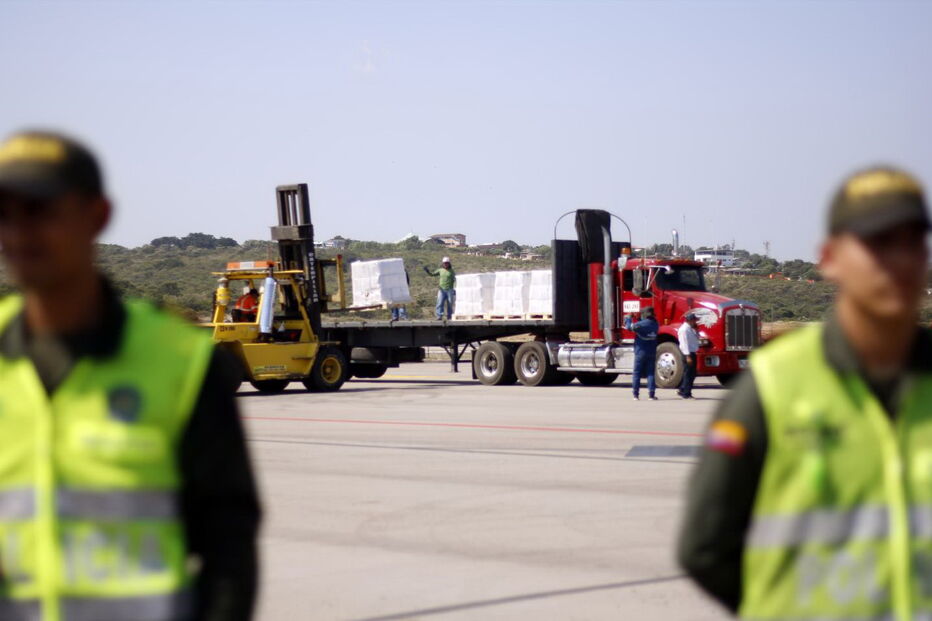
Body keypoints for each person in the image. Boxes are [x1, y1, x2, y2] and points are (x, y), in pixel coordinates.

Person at [0, 130, 261, 621]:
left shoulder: (180, 361)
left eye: (38, 210)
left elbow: (229, 545)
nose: (17, 232)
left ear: (96, 216)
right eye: (4, 213)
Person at [678, 166, 932, 620]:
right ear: (830, 258)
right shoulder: (773, 386)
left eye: (912, 243)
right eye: (877, 243)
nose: (898, 260)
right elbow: (705, 547)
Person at [625, 306, 659, 400]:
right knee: (650, 373)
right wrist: (638, 319)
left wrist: (628, 318)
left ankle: (636, 395)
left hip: (641, 352)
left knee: (637, 373)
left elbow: (629, 327)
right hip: (651, 351)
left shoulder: (641, 324)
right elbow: (644, 325)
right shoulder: (656, 324)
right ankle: (651, 395)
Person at [677, 311, 700, 398]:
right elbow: (684, 343)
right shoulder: (684, 329)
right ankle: (686, 393)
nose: (695, 322)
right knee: (689, 374)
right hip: (688, 353)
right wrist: (688, 356)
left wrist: (696, 330)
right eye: (694, 320)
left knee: (692, 373)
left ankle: (683, 389)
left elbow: (696, 338)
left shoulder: (690, 329)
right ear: (689, 320)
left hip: (692, 352)